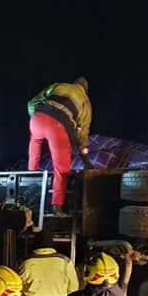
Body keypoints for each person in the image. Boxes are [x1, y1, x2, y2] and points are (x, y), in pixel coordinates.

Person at [27, 77, 92, 215]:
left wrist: (37, 115)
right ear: (85, 90)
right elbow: (83, 133)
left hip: (37, 119)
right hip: (57, 127)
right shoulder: (85, 101)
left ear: (74, 83)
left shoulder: (58, 85)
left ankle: (30, 174)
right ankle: (57, 208)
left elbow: (32, 102)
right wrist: (84, 156)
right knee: (62, 169)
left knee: (35, 142)